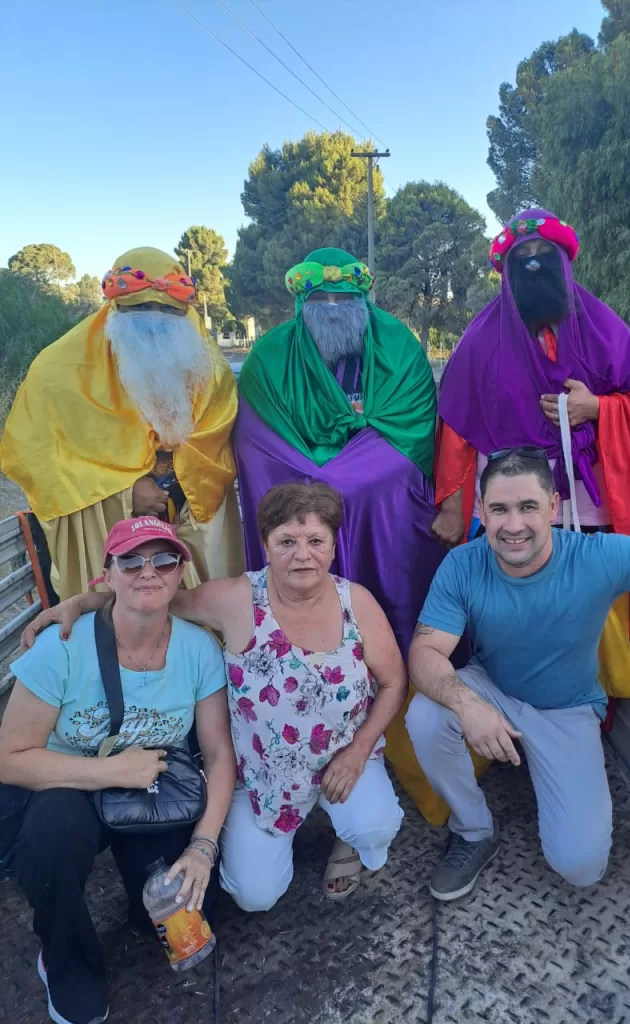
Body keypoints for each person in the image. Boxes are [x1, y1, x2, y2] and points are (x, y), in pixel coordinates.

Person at [22, 482, 407, 908]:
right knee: (254, 896)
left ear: (333, 547)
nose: (302, 554)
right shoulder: (235, 598)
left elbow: (393, 683)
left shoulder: (357, 602)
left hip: (344, 758)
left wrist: (359, 751)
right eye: (287, 541)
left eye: (316, 541)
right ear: (265, 546)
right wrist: (82, 602)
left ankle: (348, 839)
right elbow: (154, 597)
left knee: (374, 825)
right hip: (261, 775)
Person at [406, 449, 630, 901]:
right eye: (499, 509)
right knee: (425, 715)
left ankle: (552, 777)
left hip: (567, 709)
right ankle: (474, 829)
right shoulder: (463, 564)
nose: (513, 525)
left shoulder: (597, 557)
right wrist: (468, 705)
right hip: (492, 688)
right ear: (481, 509)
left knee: (580, 865)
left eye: (528, 507)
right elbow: (425, 652)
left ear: (553, 506)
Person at [0, 517, 236, 1024]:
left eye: (163, 560)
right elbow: (10, 758)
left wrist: (203, 846)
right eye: (130, 560)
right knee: (50, 841)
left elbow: (218, 754)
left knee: (184, 912)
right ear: (106, 574)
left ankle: (141, 895)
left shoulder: (199, 648)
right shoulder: (61, 645)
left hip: (149, 787)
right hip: (68, 784)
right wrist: (112, 772)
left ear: (179, 573)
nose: (148, 571)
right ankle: (64, 961)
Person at [432, 210, 630, 637]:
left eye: (544, 254)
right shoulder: (479, 341)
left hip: (588, 512)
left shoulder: (605, 330)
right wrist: (451, 507)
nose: (534, 264)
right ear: (507, 273)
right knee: (512, 624)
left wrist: (597, 407)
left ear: (563, 263)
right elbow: (457, 429)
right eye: (523, 258)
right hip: (509, 513)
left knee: (592, 624)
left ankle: (593, 681)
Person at [0, 246, 244, 600]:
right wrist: (126, 492)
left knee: (194, 614)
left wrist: (176, 487)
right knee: (118, 614)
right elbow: (41, 458)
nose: (155, 319)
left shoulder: (210, 368)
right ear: (114, 308)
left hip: (188, 513)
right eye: (140, 308)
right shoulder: (59, 370)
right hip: (105, 526)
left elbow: (214, 444)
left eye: (168, 310)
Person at [234, 247, 444, 658]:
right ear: (301, 303)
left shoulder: (398, 346)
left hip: (380, 501)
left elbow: (412, 431)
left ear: (363, 300)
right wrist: (319, 482)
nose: (332, 308)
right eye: (321, 299)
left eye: (344, 298)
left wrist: (336, 477)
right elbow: (258, 442)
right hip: (298, 492)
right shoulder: (269, 356)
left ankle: (398, 665)